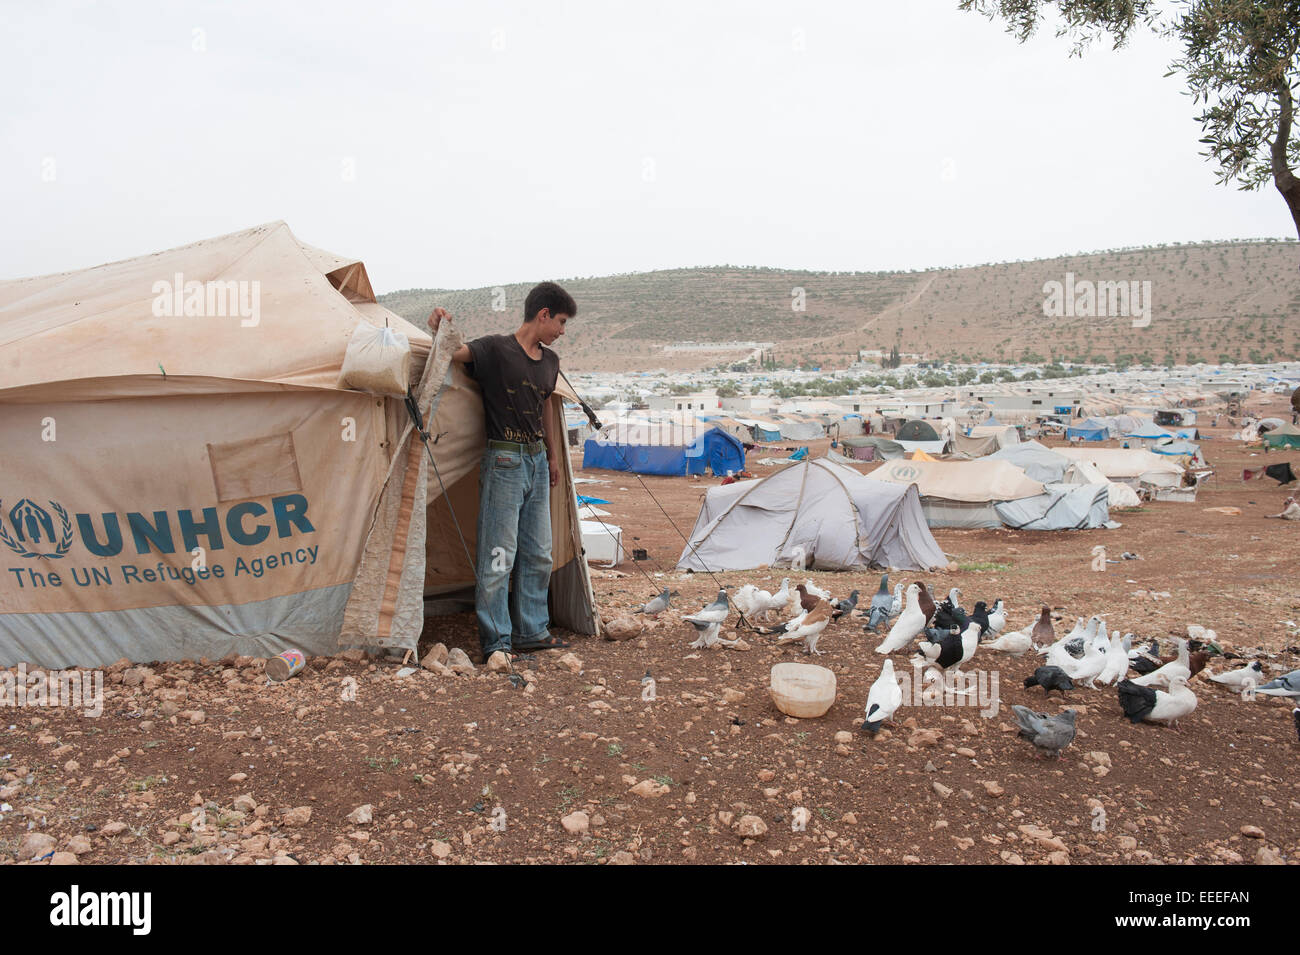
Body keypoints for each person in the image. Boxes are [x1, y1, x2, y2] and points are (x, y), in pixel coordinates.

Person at [429, 282, 576, 661]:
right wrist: (439, 327)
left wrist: (553, 456)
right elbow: (457, 353)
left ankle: (531, 630)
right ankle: (497, 640)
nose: (562, 330)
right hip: (504, 460)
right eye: (560, 322)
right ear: (543, 314)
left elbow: (545, 404)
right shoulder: (495, 348)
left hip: (537, 462)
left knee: (539, 552)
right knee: (499, 554)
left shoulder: (551, 361)